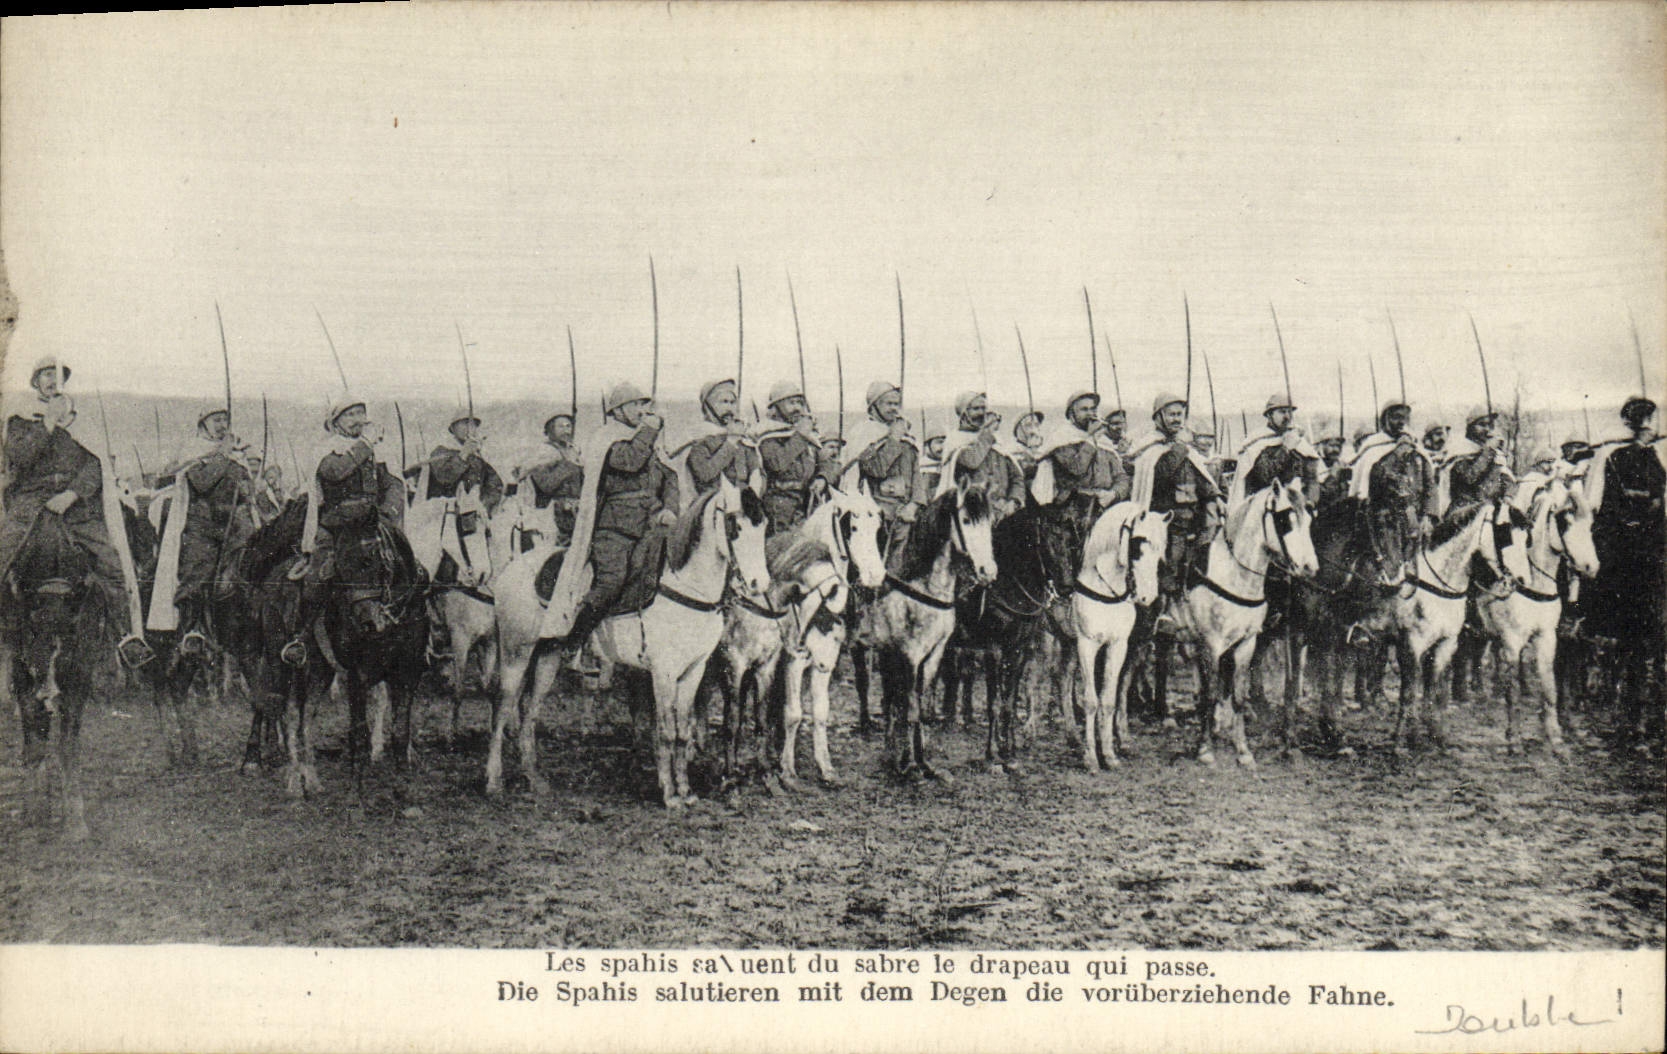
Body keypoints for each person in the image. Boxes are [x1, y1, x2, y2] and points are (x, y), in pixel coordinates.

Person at [0, 356, 133, 643]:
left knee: (111, 564)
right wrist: (48, 422)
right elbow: (18, 458)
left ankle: (125, 638)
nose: (52, 381)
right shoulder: (22, 418)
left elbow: (94, 465)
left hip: (75, 506)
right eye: (46, 375)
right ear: (36, 381)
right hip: (31, 502)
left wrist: (71, 494)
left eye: (57, 376)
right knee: (5, 552)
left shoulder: (80, 422)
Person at [539, 382, 680, 645]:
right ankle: (574, 641)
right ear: (618, 409)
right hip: (613, 530)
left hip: (649, 525)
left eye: (643, 405)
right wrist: (650, 428)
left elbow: (669, 477)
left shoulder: (644, 439)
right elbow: (630, 460)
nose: (641, 410)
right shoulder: (608, 438)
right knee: (611, 582)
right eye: (635, 404)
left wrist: (670, 509)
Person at [283, 397, 407, 663]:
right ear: (335, 423)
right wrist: (365, 444)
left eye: (361, 413)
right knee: (318, 575)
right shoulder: (327, 450)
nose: (358, 419)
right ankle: (301, 638)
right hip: (336, 527)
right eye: (350, 415)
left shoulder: (374, 451)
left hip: (373, 523)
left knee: (411, 568)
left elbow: (393, 484)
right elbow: (337, 472)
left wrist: (388, 512)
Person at [1583, 396, 1665, 733]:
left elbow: (1660, 493)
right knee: (1628, 621)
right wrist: (1632, 511)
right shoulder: (1616, 455)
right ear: (1631, 423)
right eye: (1641, 420)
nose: (1647, 426)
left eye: (1650, 419)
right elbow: (1604, 503)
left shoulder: (1655, 457)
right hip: (1629, 543)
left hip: (1656, 536)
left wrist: (1653, 501)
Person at [148, 406, 255, 650]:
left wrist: (244, 480)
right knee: (198, 571)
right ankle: (191, 628)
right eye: (216, 420)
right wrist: (223, 455)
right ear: (203, 424)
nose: (222, 425)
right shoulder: (193, 450)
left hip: (233, 528)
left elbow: (246, 490)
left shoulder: (234, 455)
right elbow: (202, 482)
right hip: (200, 526)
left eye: (225, 420)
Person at [1131, 393, 1220, 600]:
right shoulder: (1151, 448)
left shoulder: (1185, 450)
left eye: (1180, 415)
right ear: (1158, 417)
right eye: (1171, 414)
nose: (1177, 419)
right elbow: (1162, 474)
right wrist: (1180, 447)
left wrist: (1214, 496)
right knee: (1167, 569)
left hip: (1192, 519)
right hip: (1165, 522)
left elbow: (1202, 479)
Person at [1347, 401, 1438, 586]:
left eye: (1405, 418)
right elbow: (1380, 478)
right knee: (1392, 576)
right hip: (1384, 520)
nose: (1401, 422)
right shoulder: (1373, 448)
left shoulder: (1416, 449)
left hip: (1416, 520)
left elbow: (1430, 485)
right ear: (1385, 420)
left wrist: (1429, 515)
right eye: (1396, 417)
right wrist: (1399, 452)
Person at [839, 380, 924, 562]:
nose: (894, 409)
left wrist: (914, 504)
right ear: (874, 405)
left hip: (906, 514)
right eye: (889, 404)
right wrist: (894, 439)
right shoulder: (864, 432)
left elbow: (916, 474)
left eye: (896, 404)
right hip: (876, 513)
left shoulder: (904, 435)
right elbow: (875, 469)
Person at [423, 410, 504, 581]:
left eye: (473, 424)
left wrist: (483, 504)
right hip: (443, 513)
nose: (469, 428)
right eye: (464, 424)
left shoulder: (479, 459)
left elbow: (496, 485)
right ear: (452, 428)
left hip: (473, 515)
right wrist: (463, 455)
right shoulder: (440, 452)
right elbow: (444, 477)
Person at [1032, 390, 1129, 531]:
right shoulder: (1062, 439)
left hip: (1105, 506)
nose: (1090, 414)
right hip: (1071, 511)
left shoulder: (1103, 442)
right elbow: (1077, 468)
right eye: (1084, 409)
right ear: (1072, 414)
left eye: (1093, 409)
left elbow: (1121, 477)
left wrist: (1113, 494)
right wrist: (1090, 439)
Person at [756, 380, 837, 535]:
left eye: (800, 403)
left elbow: (826, 462)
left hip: (807, 501)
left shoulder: (808, 436)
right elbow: (777, 464)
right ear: (777, 406)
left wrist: (822, 478)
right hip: (778, 504)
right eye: (791, 403)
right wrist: (800, 435)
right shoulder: (767, 435)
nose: (797, 408)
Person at [934, 392, 1025, 520]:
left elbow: (1016, 475)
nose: (981, 413)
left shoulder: (995, 440)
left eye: (983, 408)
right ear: (964, 413)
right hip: (974, 514)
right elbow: (972, 460)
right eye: (976, 409)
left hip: (1006, 512)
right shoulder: (956, 439)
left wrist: (1013, 500)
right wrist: (987, 434)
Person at [667, 378, 760, 502]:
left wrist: (755, 488)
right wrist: (730, 443)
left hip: (744, 501)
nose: (729, 408)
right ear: (708, 406)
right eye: (723, 402)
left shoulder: (741, 436)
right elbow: (705, 474)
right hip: (711, 502)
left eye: (732, 402)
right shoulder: (700, 437)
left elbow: (756, 469)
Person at [1229, 394, 1321, 509]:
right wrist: (1286, 449)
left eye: (1290, 412)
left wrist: (1310, 501)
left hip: (1298, 501)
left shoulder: (1299, 442)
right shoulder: (1258, 443)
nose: (1287, 417)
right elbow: (1266, 476)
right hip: (1264, 501)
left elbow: (1312, 478)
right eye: (1282, 412)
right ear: (1269, 415)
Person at [514, 412, 584, 548]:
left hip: (571, 513)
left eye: (568, 426)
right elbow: (546, 484)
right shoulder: (545, 451)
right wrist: (568, 464)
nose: (566, 430)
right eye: (560, 427)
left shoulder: (571, 451)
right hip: (552, 514)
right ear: (550, 430)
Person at [1439, 407, 1512, 516]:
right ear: (1471, 426)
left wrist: (1508, 495)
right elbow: (1468, 478)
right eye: (1482, 424)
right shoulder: (1460, 449)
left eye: (1489, 425)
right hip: (1464, 508)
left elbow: (1506, 479)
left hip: (1490, 507)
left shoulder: (1494, 452)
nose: (1487, 429)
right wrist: (1488, 452)